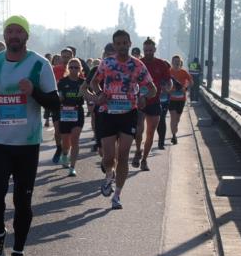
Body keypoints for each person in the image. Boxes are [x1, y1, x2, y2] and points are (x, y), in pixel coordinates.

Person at [0, 15, 60, 256]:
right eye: (10, 31)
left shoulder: (39, 64)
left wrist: (33, 91)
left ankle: (19, 251)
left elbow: (55, 104)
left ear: (26, 36)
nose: (14, 35)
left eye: (18, 31)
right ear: (4, 36)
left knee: (23, 202)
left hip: (27, 145)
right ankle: (0, 232)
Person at [88, 30, 156, 210]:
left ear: (129, 43)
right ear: (114, 45)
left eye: (125, 43)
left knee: (123, 156)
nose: (122, 46)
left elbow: (152, 89)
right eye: (118, 43)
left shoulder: (138, 65)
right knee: (109, 157)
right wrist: (99, 94)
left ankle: (117, 195)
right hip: (107, 113)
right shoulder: (107, 63)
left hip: (128, 113)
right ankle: (109, 175)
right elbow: (94, 82)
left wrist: (143, 96)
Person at [138, 38, 172, 171]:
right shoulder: (138, 63)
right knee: (139, 131)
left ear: (155, 50)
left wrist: (168, 87)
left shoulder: (161, 64)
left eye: (150, 50)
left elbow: (168, 81)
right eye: (146, 50)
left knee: (151, 133)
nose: (148, 53)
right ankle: (138, 151)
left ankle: (144, 160)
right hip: (139, 102)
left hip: (155, 102)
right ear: (143, 50)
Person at [57, 57, 85, 176]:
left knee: (75, 139)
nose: (74, 69)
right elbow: (59, 96)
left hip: (77, 112)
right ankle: (64, 154)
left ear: (80, 69)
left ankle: (72, 167)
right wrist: (59, 99)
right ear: (68, 68)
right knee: (65, 141)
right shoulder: (62, 82)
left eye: (76, 67)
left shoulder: (82, 82)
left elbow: (88, 95)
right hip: (65, 113)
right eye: (71, 67)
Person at [168, 54, 192, 144]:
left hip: (181, 100)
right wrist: (169, 88)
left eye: (178, 62)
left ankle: (174, 132)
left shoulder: (184, 72)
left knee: (177, 119)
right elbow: (164, 82)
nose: (176, 63)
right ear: (172, 62)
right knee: (173, 118)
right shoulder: (168, 72)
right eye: (174, 62)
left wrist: (185, 87)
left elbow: (190, 82)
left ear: (180, 63)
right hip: (171, 99)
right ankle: (174, 136)